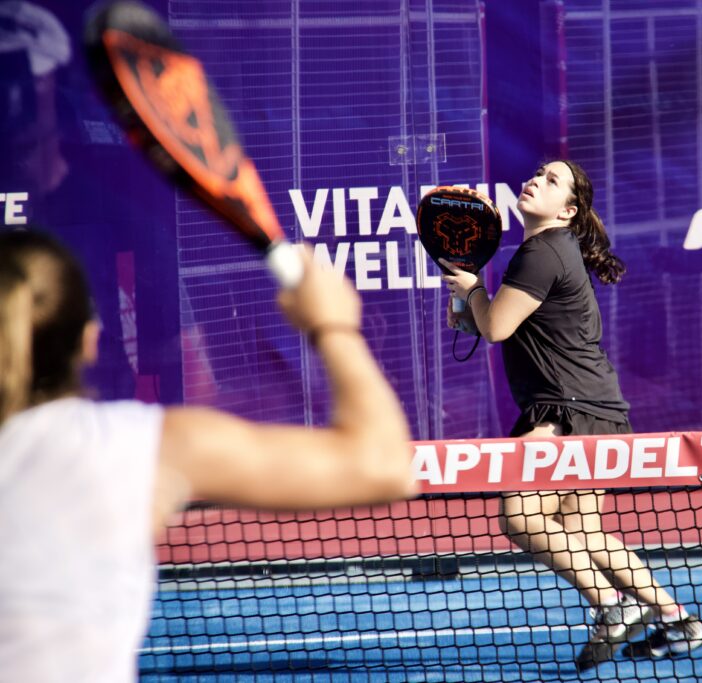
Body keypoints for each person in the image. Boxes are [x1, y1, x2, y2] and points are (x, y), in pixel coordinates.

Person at [0, 230, 417, 681]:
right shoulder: (138, 446)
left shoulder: (135, 447)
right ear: (89, 339)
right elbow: (384, 465)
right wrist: (333, 326)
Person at [440, 160, 702, 671]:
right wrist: (465, 297)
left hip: (569, 411)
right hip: (595, 407)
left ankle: (612, 607)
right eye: (538, 172)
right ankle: (678, 619)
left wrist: (473, 292)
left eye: (551, 179)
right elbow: (483, 325)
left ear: (567, 210)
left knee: (520, 518)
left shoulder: (542, 253)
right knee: (582, 533)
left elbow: (494, 327)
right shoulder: (543, 251)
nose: (535, 179)